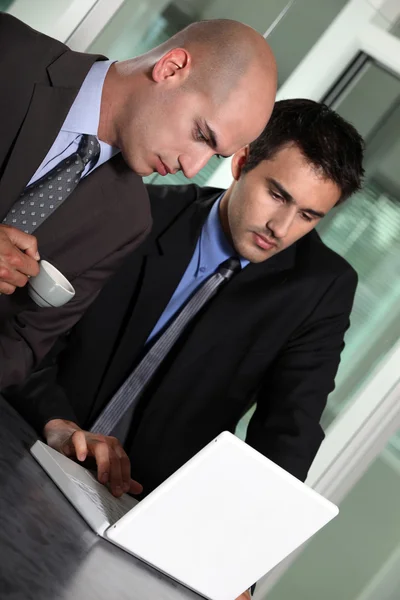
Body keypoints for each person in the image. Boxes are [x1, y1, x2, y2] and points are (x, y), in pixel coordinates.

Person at [7, 99, 364, 600]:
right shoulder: (140, 214)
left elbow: (290, 428)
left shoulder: (321, 287)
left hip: (144, 516)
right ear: (241, 162)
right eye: (276, 195)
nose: (280, 228)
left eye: (308, 215)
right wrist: (57, 423)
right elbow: (35, 335)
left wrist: (237, 556)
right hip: (29, 446)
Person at [0, 13, 277, 390]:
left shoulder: (128, 223)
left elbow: (23, 346)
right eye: (201, 134)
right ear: (171, 67)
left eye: (213, 156)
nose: (192, 168)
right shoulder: (9, 50)